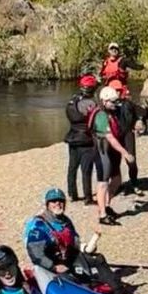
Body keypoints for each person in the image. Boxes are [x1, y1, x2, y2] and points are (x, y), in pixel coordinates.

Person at [90, 86, 133, 226]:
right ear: (104, 101)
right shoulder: (101, 115)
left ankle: (107, 206)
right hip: (102, 152)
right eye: (112, 102)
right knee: (102, 183)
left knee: (117, 180)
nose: (115, 104)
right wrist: (125, 153)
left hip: (111, 152)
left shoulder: (111, 112)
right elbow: (110, 138)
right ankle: (102, 215)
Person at [24, 189, 81, 274]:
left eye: (61, 201)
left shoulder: (66, 221)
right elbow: (36, 253)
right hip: (47, 268)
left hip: (66, 263)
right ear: (47, 205)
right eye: (53, 201)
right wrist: (53, 267)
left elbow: (75, 242)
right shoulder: (38, 224)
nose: (58, 203)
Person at [64, 75, 100, 204]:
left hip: (73, 136)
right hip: (86, 139)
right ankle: (88, 197)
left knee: (72, 167)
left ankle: (72, 194)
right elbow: (96, 120)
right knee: (86, 169)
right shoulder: (90, 103)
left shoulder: (72, 100)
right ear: (91, 89)